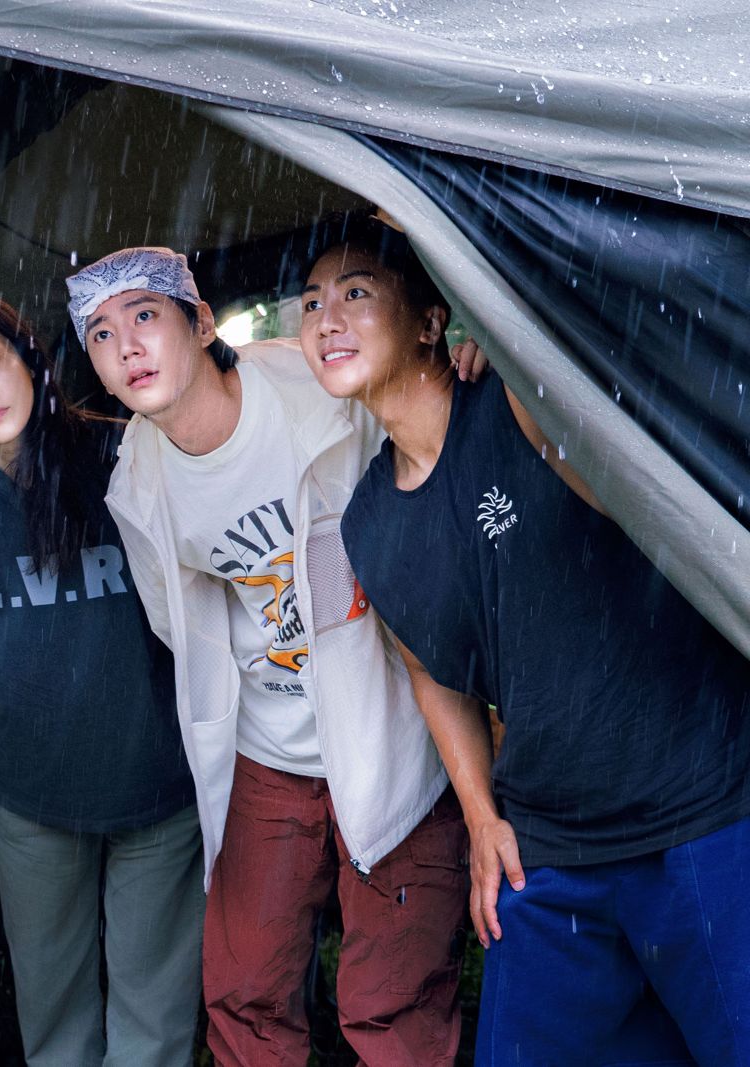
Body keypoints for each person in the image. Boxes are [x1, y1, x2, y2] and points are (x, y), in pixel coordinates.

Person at [306, 215, 750, 1064]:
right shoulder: (366, 523)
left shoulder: (519, 403)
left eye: (356, 292)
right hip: (550, 846)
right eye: (312, 302)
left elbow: (591, 341)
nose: (327, 318)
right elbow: (432, 673)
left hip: (702, 802)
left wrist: (510, 345)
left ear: (432, 319)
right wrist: (482, 818)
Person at [68, 247, 470, 1065]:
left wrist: (468, 362)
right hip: (268, 750)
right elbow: (178, 624)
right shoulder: (137, 484)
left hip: (390, 724)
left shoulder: (314, 385)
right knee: (245, 989)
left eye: (145, 315)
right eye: (101, 334)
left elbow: (422, 425)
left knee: (391, 1000)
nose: (127, 345)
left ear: (201, 322)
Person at [0, 291, 203, 1065]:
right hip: (31, 797)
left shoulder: (124, 453)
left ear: (29, 358)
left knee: (154, 1025)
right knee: (55, 1023)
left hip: (159, 783)